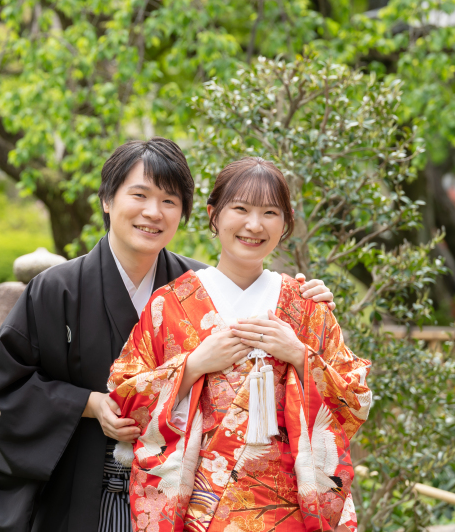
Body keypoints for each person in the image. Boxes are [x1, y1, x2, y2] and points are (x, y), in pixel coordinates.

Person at [0, 140, 336, 532]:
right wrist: (88, 403)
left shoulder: (199, 289)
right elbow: (8, 390)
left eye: (169, 200)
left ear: (185, 212)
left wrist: (304, 303)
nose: (153, 212)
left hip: (183, 501)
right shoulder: (56, 289)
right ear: (107, 201)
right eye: (139, 195)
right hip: (86, 492)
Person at [108, 157, 371, 532]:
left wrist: (299, 356)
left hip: (291, 511)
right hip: (198, 514)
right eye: (241, 209)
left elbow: (355, 400)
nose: (254, 225)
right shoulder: (170, 304)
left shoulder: (306, 306)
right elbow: (124, 396)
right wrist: (193, 366)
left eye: (270, 212)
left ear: (286, 223)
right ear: (214, 215)